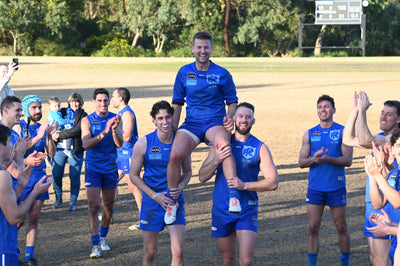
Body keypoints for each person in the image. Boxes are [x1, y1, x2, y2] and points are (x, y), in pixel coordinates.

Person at [166, 31, 239, 224]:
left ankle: (233, 195)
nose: (202, 51)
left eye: (206, 47)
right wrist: (173, 128)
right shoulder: (183, 72)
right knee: (174, 154)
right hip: (192, 123)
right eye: (199, 47)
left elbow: (232, 102)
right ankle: (172, 200)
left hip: (215, 122)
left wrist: (230, 117)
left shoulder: (222, 73)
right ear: (193, 49)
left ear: (211, 49)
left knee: (224, 145)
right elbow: (177, 103)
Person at [198, 102, 278, 266]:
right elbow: (202, 176)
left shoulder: (260, 147)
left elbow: (273, 182)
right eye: (241, 116)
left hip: (246, 208)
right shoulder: (220, 143)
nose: (244, 120)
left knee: (246, 261)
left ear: (253, 121)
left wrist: (244, 186)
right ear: (234, 119)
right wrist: (217, 160)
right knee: (228, 260)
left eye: (248, 117)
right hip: (221, 207)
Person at [130, 100, 192, 265]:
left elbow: (188, 172)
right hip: (152, 203)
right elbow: (133, 175)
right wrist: (154, 195)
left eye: (168, 117)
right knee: (150, 253)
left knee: (178, 252)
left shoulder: (181, 142)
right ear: (154, 120)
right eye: (160, 118)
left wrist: (180, 186)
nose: (165, 122)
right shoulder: (144, 143)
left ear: (172, 118)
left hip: (174, 202)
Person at [343, 91, 400, 266]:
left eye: (389, 114)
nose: (383, 116)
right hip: (376, 198)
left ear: (399, 120)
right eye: (382, 112)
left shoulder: (393, 138)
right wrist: (355, 110)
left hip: (392, 200)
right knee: (375, 258)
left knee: (386, 256)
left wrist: (363, 111)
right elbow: (347, 139)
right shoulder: (379, 137)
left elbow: (364, 138)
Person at [298, 94, 353, 266]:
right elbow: (301, 162)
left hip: (336, 187)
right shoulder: (309, 133)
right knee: (313, 228)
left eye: (327, 106)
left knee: (341, 227)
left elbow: (348, 160)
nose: (323, 110)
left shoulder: (343, 131)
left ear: (334, 110)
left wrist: (328, 159)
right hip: (316, 189)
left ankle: (345, 262)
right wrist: (313, 159)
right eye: (320, 107)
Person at [0, 124, 52, 266]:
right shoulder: (2, 176)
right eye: (10, 141)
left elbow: (5, 203)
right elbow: (14, 217)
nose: (13, 146)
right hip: (3, 249)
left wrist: (21, 186)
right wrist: (35, 192)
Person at [81, 88, 123, 259]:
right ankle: (96, 243)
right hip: (93, 168)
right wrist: (104, 131)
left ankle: (104, 236)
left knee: (108, 205)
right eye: (99, 100)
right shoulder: (87, 120)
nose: (103, 103)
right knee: (93, 206)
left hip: (110, 168)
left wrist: (113, 130)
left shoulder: (115, 118)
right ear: (94, 102)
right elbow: (85, 144)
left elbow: (119, 143)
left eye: (106, 100)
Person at [19, 95, 57, 266]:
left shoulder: (43, 127)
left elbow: (52, 153)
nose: (38, 111)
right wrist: (40, 134)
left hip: (39, 178)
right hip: (21, 179)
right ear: (26, 109)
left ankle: (29, 257)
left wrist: (48, 136)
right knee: (17, 219)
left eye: (40, 107)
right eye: (34, 108)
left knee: (33, 217)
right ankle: (10, 249)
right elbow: (18, 152)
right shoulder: (18, 127)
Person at [365, 129, 400, 265]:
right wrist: (373, 174)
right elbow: (378, 203)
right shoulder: (394, 174)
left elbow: (397, 202)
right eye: (398, 146)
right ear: (392, 150)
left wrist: (379, 176)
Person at [110, 87, 142, 230]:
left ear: (121, 98)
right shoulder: (121, 113)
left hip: (128, 154)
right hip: (120, 155)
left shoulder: (127, 114)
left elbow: (127, 137)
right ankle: (108, 213)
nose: (111, 99)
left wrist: (112, 134)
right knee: (111, 182)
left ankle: (144, 218)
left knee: (133, 186)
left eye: (113, 96)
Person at [51, 93, 87, 211]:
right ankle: (58, 198)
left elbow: (77, 130)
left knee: (74, 176)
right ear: (69, 102)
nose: (74, 104)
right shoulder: (61, 111)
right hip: (60, 148)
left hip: (75, 149)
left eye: (77, 102)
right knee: (56, 174)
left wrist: (59, 135)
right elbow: (52, 120)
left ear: (80, 103)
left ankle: (73, 202)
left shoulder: (83, 115)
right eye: (72, 102)